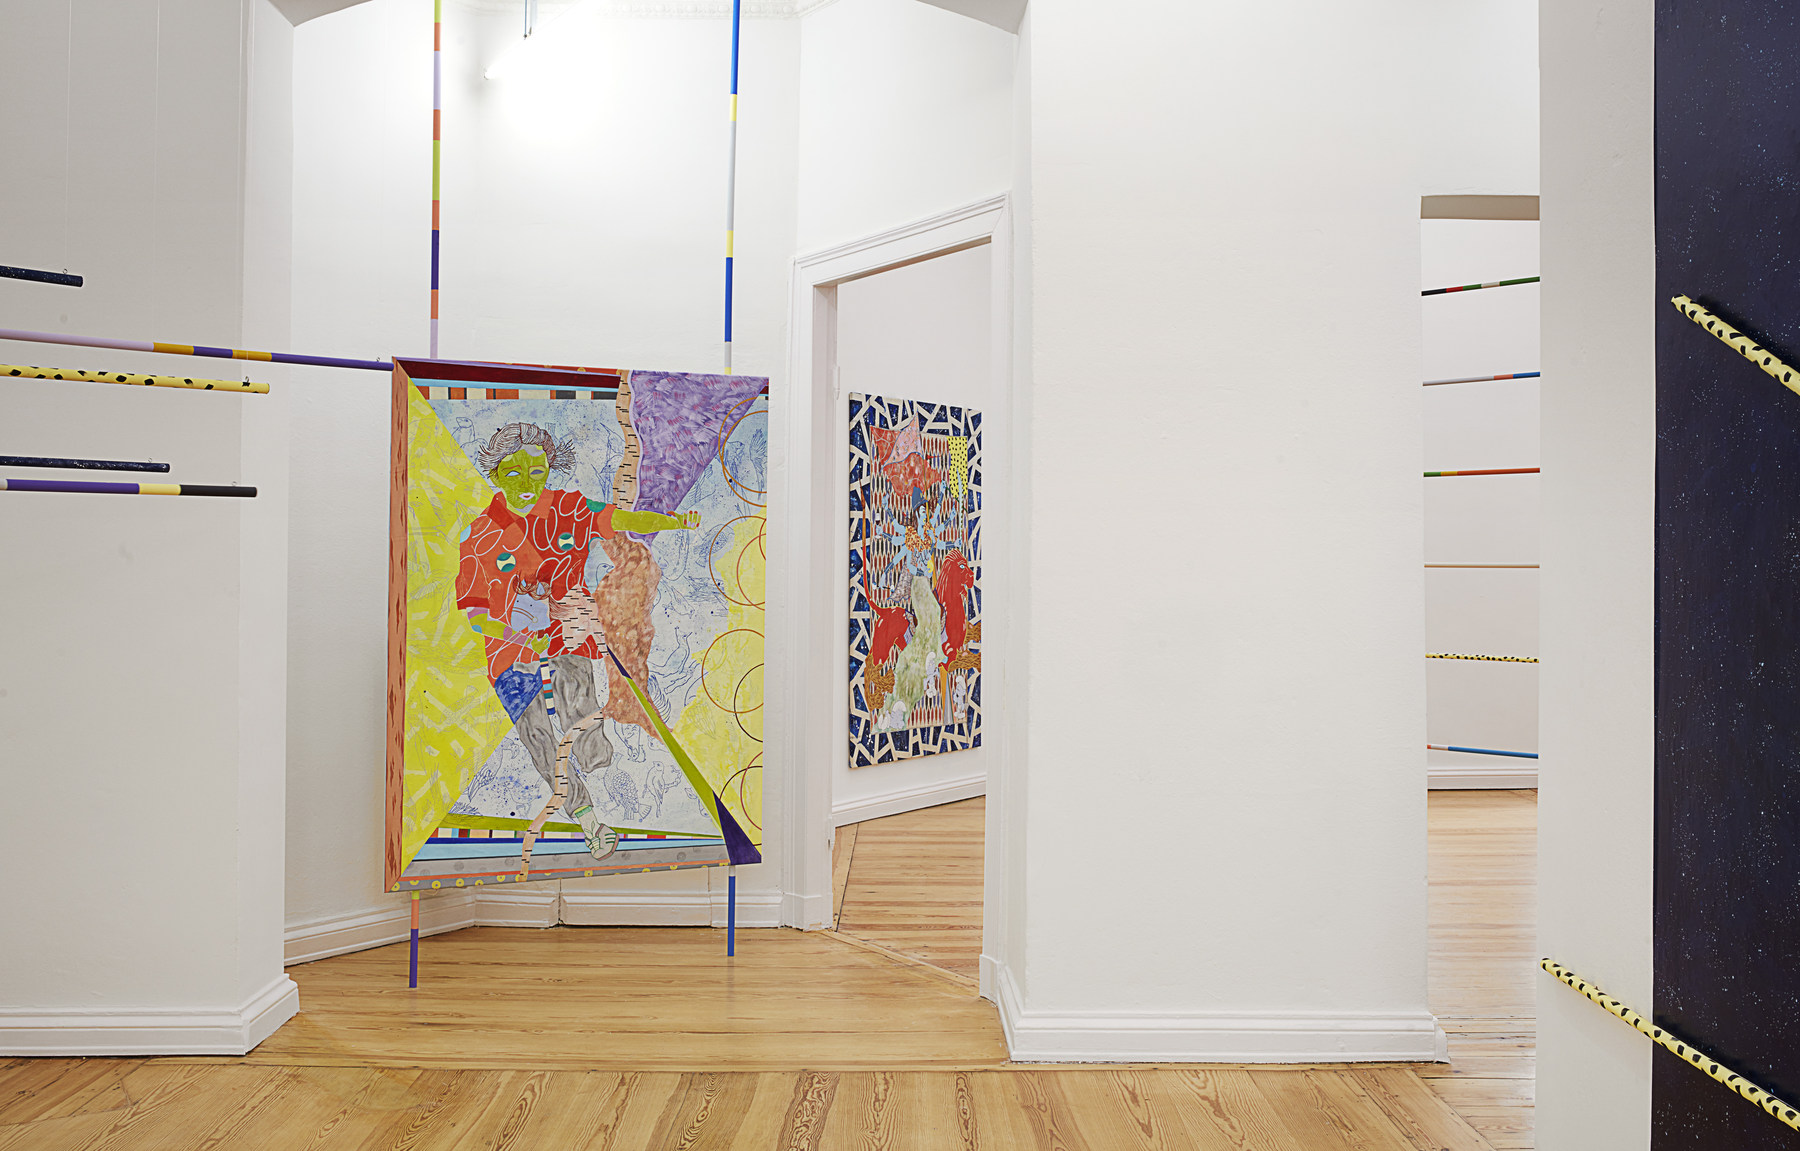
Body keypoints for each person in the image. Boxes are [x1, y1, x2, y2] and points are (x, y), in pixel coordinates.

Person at [455, 421, 699, 859]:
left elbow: (622, 521)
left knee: (585, 730)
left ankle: (618, 788)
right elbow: (476, 617)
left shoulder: (569, 509)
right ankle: (589, 822)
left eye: (537, 472)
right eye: (513, 473)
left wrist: (674, 522)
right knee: (539, 738)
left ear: (549, 469)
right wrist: (519, 639)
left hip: (569, 637)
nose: (527, 484)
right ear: (495, 474)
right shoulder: (480, 537)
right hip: (511, 656)